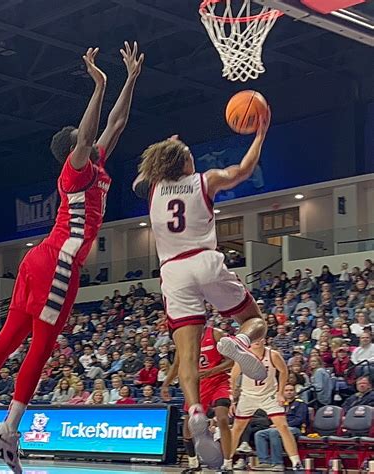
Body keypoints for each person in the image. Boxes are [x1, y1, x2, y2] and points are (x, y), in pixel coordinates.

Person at [0, 43, 144, 472]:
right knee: (42, 344)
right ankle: (9, 426)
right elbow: (92, 130)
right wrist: (102, 82)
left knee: (10, 335)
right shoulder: (75, 168)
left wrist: (129, 80)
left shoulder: (97, 163)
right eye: (81, 135)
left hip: (39, 259)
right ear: (74, 146)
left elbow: (118, 121)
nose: (87, 134)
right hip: (58, 261)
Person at [132, 111, 270, 465]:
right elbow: (243, 169)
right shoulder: (205, 180)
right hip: (204, 260)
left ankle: (195, 411)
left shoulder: (152, 188)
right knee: (256, 322)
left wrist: (170, 149)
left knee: (187, 355)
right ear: (186, 161)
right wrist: (260, 132)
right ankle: (239, 343)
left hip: (173, 272)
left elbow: (142, 178)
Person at [162, 326, 233, 472]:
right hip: (197, 386)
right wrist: (165, 384)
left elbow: (231, 361)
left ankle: (227, 463)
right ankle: (194, 464)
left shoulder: (216, 334)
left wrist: (212, 371)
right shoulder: (184, 339)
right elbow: (176, 365)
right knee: (188, 428)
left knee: (222, 418)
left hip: (219, 381)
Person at [230, 339, 302, 471]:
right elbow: (233, 377)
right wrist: (233, 399)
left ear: (264, 340)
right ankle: (227, 461)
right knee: (237, 429)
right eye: (254, 339)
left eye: (259, 338)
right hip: (248, 395)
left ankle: (296, 461)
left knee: (283, 426)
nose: (257, 341)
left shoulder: (272, 354)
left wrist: (280, 393)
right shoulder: (243, 355)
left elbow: (284, 371)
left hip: (269, 395)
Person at [253, 384, 308, 471]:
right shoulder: (279, 403)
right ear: (282, 392)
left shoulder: (300, 404)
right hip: (278, 427)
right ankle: (264, 462)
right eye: (286, 390)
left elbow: (299, 420)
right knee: (259, 434)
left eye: (291, 390)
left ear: (295, 392)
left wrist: (282, 425)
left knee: (274, 432)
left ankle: (278, 463)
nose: (289, 392)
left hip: (295, 428)